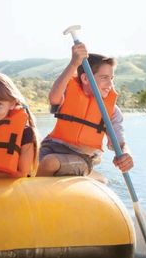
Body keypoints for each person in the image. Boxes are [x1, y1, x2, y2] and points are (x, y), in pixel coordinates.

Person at [36, 42, 133, 179]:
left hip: (81, 158)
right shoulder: (67, 95)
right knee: (28, 151)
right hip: (50, 147)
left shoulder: (112, 111)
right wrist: (74, 64)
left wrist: (125, 154)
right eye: (104, 78)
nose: (110, 84)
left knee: (50, 163)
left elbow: (120, 143)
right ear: (86, 78)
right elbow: (54, 97)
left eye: (111, 79)